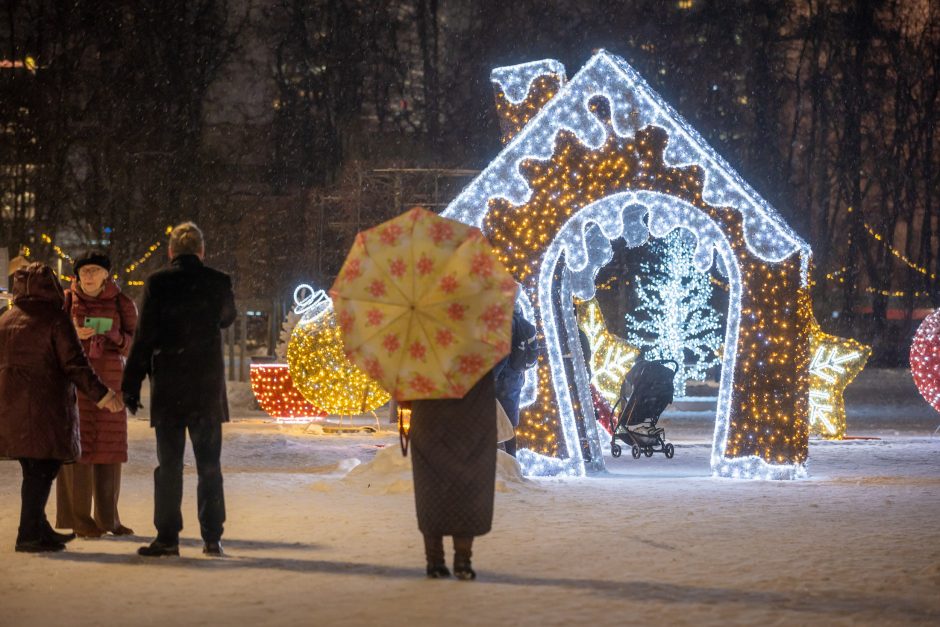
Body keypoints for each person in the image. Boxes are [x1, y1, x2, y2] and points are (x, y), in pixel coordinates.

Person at [122, 222, 236, 558]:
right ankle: (212, 537)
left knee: (169, 466)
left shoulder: (158, 283)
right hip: (205, 389)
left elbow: (144, 337)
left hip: (170, 388)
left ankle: (168, 537)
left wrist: (131, 385)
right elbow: (228, 318)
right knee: (209, 465)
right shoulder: (218, 282)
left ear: (171, 252)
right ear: (202, 251)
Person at [0, 262, 124, 553]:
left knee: (33, 468)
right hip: (44, 406)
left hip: (10, 407)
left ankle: (37, 527)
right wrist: (104, 396)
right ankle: (28, 534)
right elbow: (75, 365)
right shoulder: (56, 319)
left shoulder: (6, 319)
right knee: (43, 467)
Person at [55, 251, 138, 538]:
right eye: (84, 271)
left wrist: (115, 336)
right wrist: (73, 335)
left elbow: (135, 346)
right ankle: (78, 519)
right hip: (75, 385)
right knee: (77, 452)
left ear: (107, 274)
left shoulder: (122, 303)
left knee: (109, 452)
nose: (88, 276)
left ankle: (108, 519)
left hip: (111, 384)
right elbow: (52, 342)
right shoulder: (65, 301)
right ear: (76, 275)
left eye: (94, 270)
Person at [407, 370, 498, 581]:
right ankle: (463, 561)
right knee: (468, 490)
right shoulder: (479, 348)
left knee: (430, 490)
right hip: (472, 424)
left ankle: (435, 561)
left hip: (428, 422)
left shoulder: (421, 352)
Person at [492, 306, 537, 457]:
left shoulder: (505, 322)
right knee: (509, 423)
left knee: (497, 422)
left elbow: (502, 355)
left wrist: (491, 377)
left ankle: (506, 463)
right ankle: (511, 460)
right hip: (516, 378)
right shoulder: (521, 320)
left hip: (502, 379)